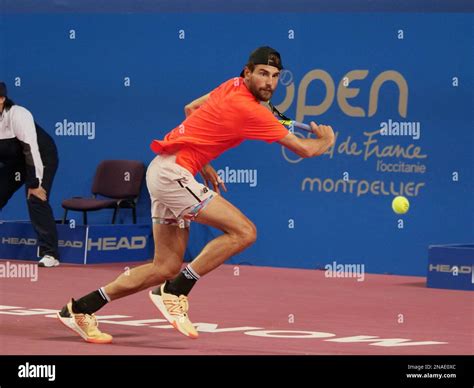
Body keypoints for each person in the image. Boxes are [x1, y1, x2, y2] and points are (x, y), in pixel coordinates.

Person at [57, 46, 335, 343]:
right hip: (171, 175)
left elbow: (191, 108)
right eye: (263, 74)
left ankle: (80, 309)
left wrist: (202, 163)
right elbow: (305, 149)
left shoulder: (232, 85)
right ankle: (176, 290)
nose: (269, 82)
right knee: (244, 232)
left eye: (276, 76)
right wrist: (327, 140)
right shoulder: (251, 111)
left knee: (164, 266)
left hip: (167, 170)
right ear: (248, 72)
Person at [0, 82, 60, 268]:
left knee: (35, 199)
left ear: (2, 99)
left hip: (41, 157)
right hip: (15, 162)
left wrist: (36, 183)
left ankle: (50, 254)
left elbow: (31, 150)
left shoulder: (19, 114)